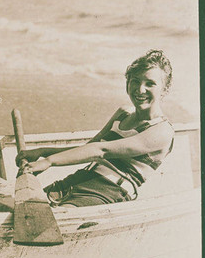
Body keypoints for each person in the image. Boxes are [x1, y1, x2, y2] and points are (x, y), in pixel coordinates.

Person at [16, 50, 174, 207]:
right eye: (135, 81)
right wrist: (42, 152)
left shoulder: (162, 131)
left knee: (49, 217)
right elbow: (88, 149)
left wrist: (49, 162)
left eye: (150, 84)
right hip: (82, 178)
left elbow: (101, 150)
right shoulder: (123, 114)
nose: (140, 90)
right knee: (25, 207)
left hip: (111, 190)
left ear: (165, 90)